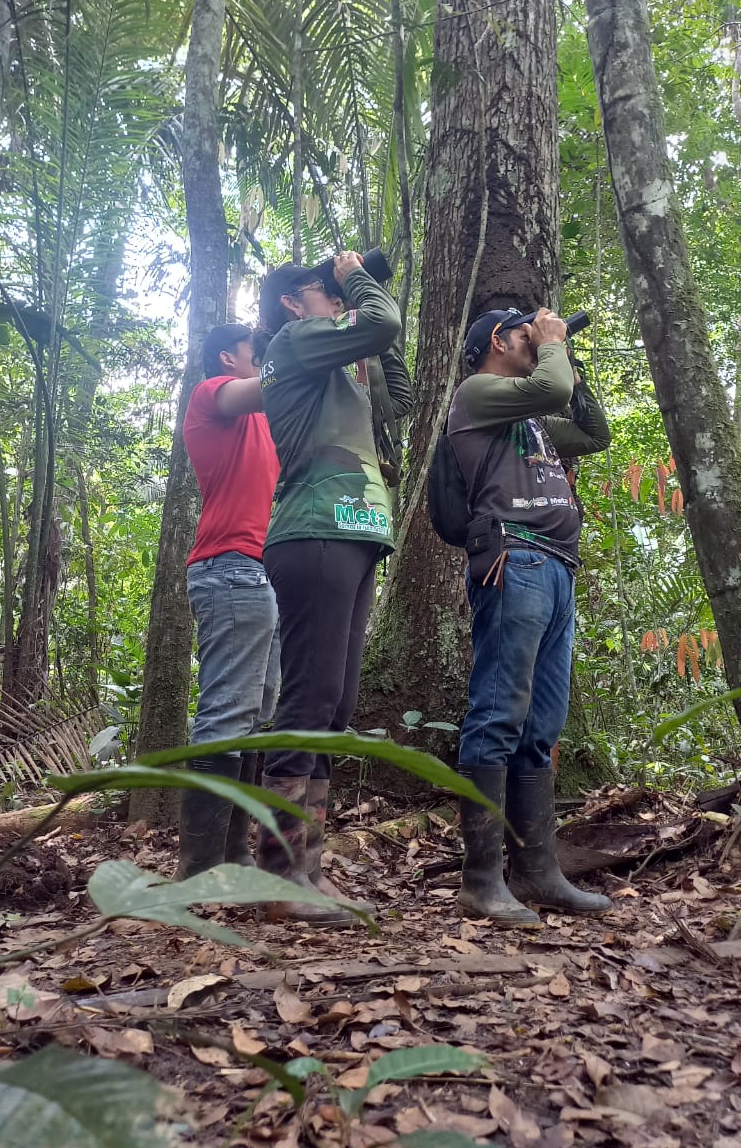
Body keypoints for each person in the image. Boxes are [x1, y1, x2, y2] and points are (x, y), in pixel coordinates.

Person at [255, 251, 412, 926]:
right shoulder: (293, 342)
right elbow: (379, 320)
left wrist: (372, 337)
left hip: (353, 529)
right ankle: (279, 877)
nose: (336, 297)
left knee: (337, 702)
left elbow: (398, 399)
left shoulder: (336, 368)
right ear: (294, 303)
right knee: (310, 696)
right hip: (315, 527)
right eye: (323, 290)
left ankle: (307, 873)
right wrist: (357, 277)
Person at [447, 305, 613, 927]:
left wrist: (567, 354)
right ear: (498, 341)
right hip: (513, 561)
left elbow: (594, 434)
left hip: (556, 566)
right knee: (499, 712)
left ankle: (537, 873)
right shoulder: (478, 392)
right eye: (526, 333)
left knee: (541, 723)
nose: (537, 339)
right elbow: (553, 386)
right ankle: (481, 880)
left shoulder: (535, 421)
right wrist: (555, 353)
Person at [177, 323, 281, 879]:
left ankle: (233, 853)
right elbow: (275, 382)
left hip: (268, 572)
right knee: (226, 713)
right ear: (226, 357)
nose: (262, 358)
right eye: (254, 351)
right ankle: (196, 869)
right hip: (230, 566)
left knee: (260, 714)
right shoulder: (213, 392)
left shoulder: (266, 421)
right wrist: (303, 344)